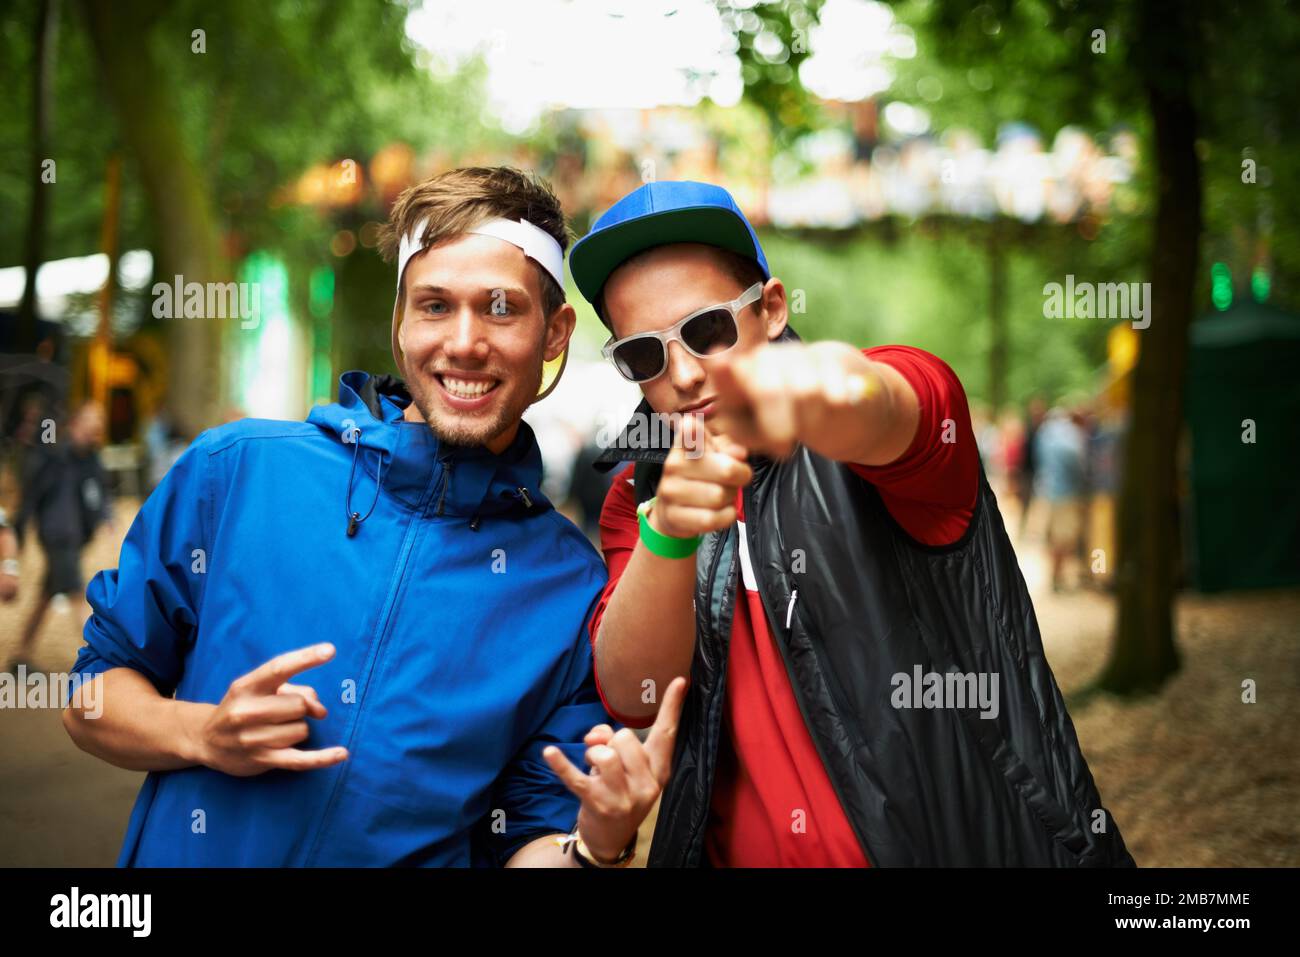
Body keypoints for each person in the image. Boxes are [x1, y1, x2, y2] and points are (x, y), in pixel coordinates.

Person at [61, 166, 679, 868]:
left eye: (501, 308)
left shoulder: (570, 589)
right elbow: (91, 693)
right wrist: (201, 732)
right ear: (400, 321)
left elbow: (530, 842)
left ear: (554, 332)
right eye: (435, 305)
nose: (465, 341)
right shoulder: (236, 470)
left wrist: (595, 844)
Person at [569, 180, 1135, 867]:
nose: (685, 373)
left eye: (707, 328)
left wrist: (819, 394)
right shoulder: (639, 497)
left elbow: (898, 404)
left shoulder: (865, 432)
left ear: (772, 309)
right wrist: (670, 536)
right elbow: (634, 695)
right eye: (645, 354)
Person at [8, 401, 110, 671]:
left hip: (72, 536)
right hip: (59, 536)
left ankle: (20, 655)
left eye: (99, 421)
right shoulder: (55, 455)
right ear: (75, 423)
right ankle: (102, 659)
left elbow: (97, 493)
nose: (96, 426)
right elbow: (32, 492)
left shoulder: (90, 459)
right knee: (78, 594)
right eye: (91, 420)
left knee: (46, 595)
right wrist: (17, 530)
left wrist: (105, 517)